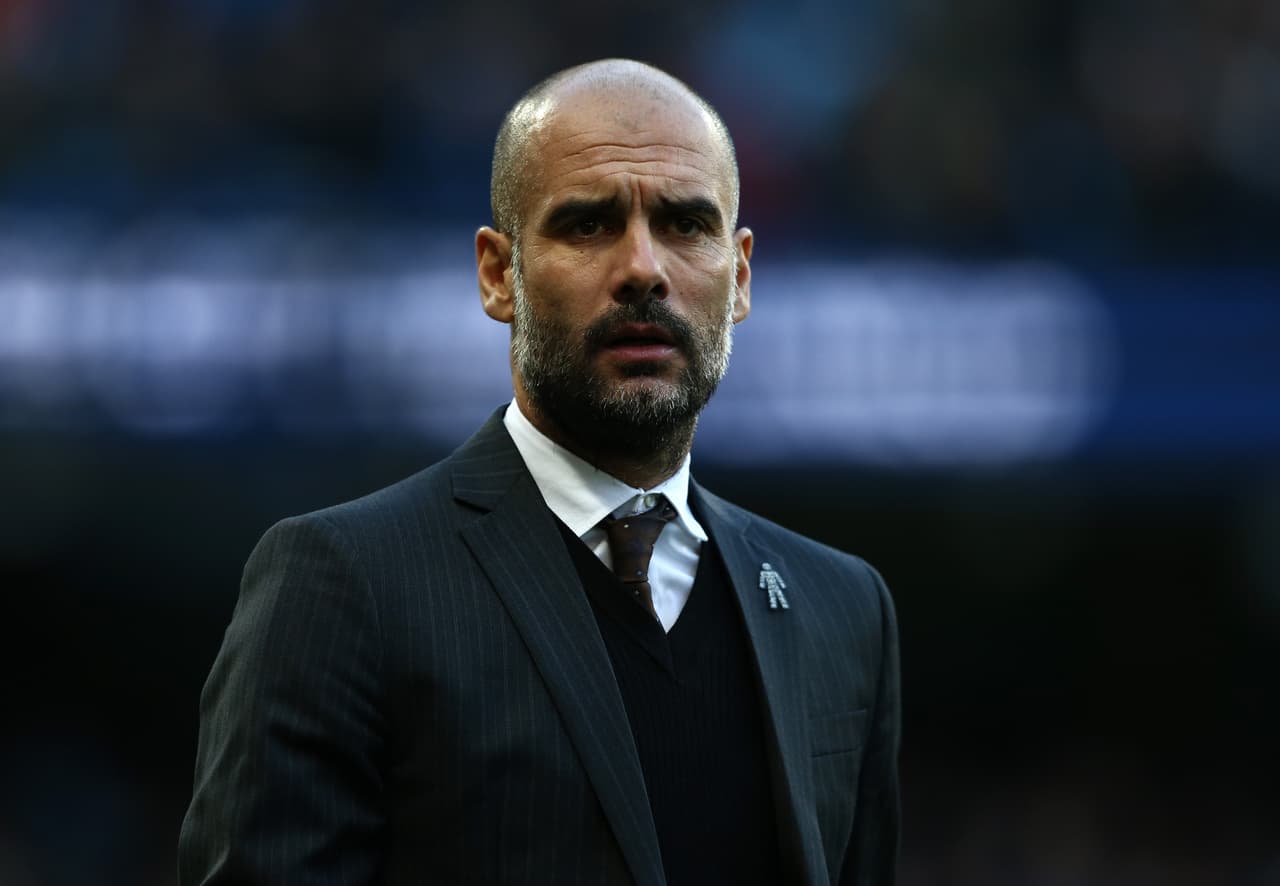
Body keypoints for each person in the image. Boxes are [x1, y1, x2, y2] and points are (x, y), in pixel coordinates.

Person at [178, 58, 900, 886]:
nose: (643, 267)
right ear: (498, 275)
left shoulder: (844, 610)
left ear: (738, 277)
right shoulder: (342, 584)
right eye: (589, 224)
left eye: (684, 224)